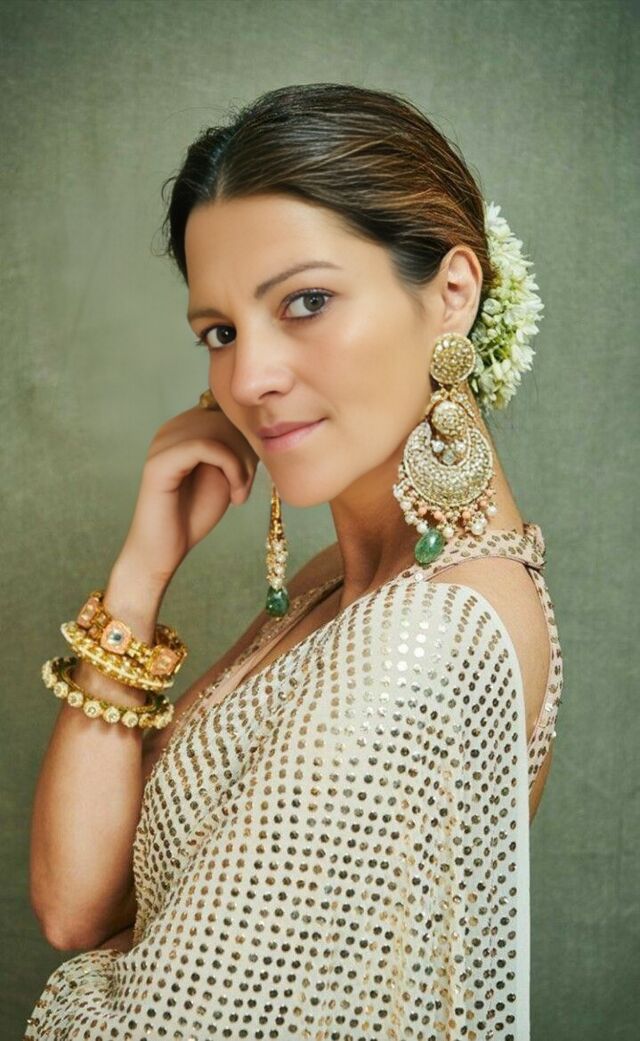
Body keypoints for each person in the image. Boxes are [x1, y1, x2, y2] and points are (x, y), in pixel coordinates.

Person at [25, 83, 563, 1039]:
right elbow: (79, 905)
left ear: (453, 293)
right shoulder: (341, 585)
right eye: (221, 332)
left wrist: (91, 985)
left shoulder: (422, 640)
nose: (249, 378)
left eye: (306, 302)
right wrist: (143, 570)